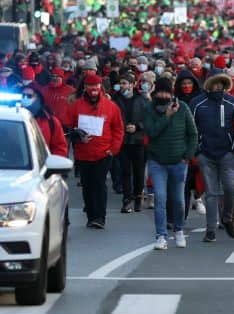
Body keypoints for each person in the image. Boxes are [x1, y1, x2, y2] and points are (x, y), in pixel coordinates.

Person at [143, 76, 198, 251]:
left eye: (166, 92)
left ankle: (179, 230)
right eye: (160, 92)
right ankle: (161, 235)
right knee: (160, 198)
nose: (163, 96)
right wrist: (166, 116)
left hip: (179, 162)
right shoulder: (148, 109)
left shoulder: (183, 108)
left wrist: (187, 155)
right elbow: (151, 132)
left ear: (172, 93)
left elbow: (193, 134)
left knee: (179, 200)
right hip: (157, 162)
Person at [190, 72, 234, 243]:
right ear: (208, 84)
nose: (217, 86)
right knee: (211, 193)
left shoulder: (232, 101)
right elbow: (190, 127)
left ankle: (227, 218)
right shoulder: (197, 102)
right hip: (206, 153)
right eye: (214, 83)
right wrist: (197, 150)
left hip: (227, 153)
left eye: (221, 83)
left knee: (231, 188)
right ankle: (210, 230)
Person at [66, 72, 124, 230]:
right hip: (83, 153)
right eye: (90, 85)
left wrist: (113, 149)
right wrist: (78, 137)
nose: (93, 89)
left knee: (99, 183)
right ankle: (91, 216)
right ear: (85, 87)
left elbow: (118, 128)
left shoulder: (111, 107)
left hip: (104, 153)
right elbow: (68, 128)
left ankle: (99, 217)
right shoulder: (76, 106)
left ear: (100, 87)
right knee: (87, 184)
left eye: (96, 85)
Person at [113, 72, 148, 212]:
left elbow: (148, 119)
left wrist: (138, 127)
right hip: (122, 140)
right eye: (120, 83)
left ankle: (138, 196)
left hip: (138, 141)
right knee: (125, 171)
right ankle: (127, 200)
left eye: (124, 83)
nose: (121, 86)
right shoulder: (115, 99)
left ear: (132, 85)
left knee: (139, 172)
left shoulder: (142, 100)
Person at [21, 85, 69, 156]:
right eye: (23, 95)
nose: (25, 98)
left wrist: (51, 161)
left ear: (38, 98)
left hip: (42, 161)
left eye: (29, 96)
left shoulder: (51, 121)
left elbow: (59, 147)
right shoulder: (13, 117)